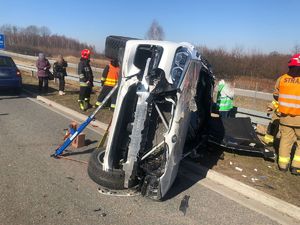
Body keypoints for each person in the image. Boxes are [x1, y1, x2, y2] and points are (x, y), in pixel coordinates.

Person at [274, 53, 300, 175]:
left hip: (285, 118)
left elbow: (276, 95)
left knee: (285, 141)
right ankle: (296, 167)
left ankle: (282, 166)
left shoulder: (282, 79)